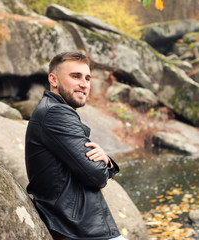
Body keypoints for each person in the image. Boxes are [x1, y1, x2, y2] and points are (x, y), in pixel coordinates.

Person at [25, 52, 126, 240]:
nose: (84, 84)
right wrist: (105, 166)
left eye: (87, 78)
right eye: (75, 76)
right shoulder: (56, 113)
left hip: (78, 227)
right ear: (53, 80)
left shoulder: (53, 110)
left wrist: (108, 162)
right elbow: (95, 174)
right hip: (78, 230)